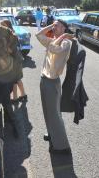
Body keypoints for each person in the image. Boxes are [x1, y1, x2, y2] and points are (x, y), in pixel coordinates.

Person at [36, 19, 73, 154]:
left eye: (58, 25)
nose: (55, 27)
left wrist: (62, 35)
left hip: (52, 82)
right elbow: (38, 35)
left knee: (55, 114)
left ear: (64, 28)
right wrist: (50, 26)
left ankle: (62, 146)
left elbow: (53, 48)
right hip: (44, 79)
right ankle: (52, 135)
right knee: (47, 111)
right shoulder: (53, 38)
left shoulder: (66, 43)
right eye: (54, 25)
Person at [0, 19, 27, 103]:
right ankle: (23, 95)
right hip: (13, 59)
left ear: (8, 26)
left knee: (14, 79)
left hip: (15, 60)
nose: (1, 27)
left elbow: (11, 50)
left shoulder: (12, 36)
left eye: (2, 25)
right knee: (16, 79)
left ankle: (15, 97)